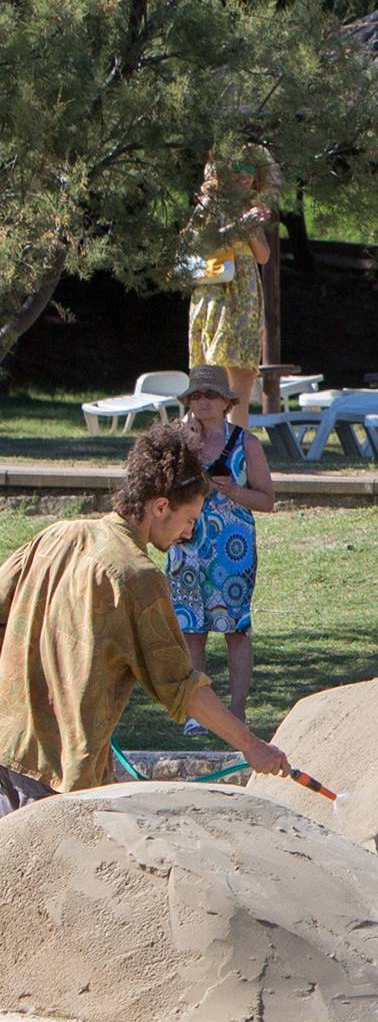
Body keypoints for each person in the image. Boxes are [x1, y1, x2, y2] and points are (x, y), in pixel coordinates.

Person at [0, 427, 290, 811]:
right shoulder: (139, 578)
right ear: (159, 506)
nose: (189, 533)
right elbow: (183, 688)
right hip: (57, 777)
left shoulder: (56, 536)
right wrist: (254, 747)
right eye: (189, 519)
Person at [167, 365, 276, 725]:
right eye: (196, 395)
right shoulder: (180, 442)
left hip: (233, 549)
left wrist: (233, 489)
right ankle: (198, 712)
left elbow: (267, 500)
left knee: (235, 629)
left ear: (226, 402)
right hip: (187, 544)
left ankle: (237, 710)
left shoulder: (246, 442)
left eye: (210, 394)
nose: (202, 402)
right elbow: (162, 487)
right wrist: (185, 443)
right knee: (191, 629)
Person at [182, 145, 276, 423]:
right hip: (217, 293)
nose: (245, 175)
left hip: (245, 295)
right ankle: (197, 450)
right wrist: (238, 226)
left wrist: (250, 225)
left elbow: (263, 255)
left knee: (242, 379)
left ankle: (236, 455)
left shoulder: (249, 206)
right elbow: (197, 242)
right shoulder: (211, 202)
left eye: (251, 169)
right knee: (211, 380)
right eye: (238, 168)